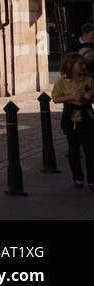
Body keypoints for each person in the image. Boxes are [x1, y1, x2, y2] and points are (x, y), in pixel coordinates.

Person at [51, 51, 94, 189]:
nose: (83, 66)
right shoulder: (62, 82)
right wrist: (71, 97)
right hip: (71, 117)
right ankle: (77, 178)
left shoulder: (88, 80)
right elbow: (56, 98)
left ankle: (92, 179)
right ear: (70, 66)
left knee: (90, 148)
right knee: (73, 148)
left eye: (83, 63)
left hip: (87, 115)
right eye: (79, 64)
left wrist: (90, 95)